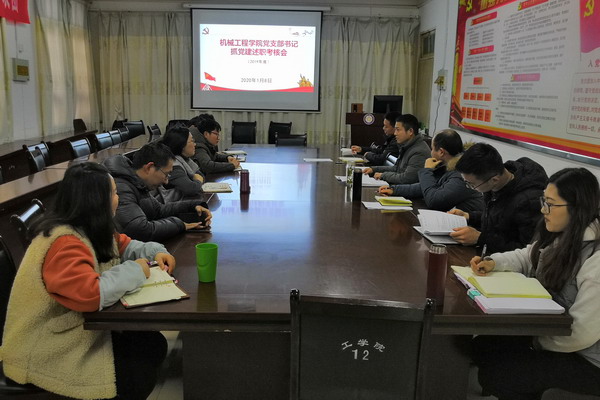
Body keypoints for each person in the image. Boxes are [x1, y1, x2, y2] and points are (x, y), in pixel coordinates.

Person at [1, 162, 173, 399]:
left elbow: (125, 245)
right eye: (114, 193)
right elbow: (90, 294)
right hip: (46, 346)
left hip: (74, 327)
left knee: (152, 343)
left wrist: (155, 252)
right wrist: (136, 270)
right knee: (137, 375)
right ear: (95, 201)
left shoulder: (91, 227)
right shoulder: (64, 242)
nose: (118, 198)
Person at [470, 168, 600, 399]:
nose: (543, 210)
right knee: (484, 345)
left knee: (502, 374)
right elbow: (529, 256)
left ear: (577, 208)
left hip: (587, 359)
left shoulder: (595, 259)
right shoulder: (564, 234)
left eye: (550, 204)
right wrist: (494, 262)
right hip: (552, 335)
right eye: (544, 201)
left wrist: (533, 341)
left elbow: (582, 333)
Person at [449, 142, 547, 253]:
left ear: (494, 180)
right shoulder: (496, 181)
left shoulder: (529, 201)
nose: (470, 187)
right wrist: (469, 216)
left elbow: (528, 251)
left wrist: (480, 239)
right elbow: (501, 219)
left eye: (472, 185)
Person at [103, 142, 212, 242]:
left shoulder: (137, 182)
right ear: (149, 167)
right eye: (166, 174)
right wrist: (179, 225)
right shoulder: (121, 187)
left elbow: (158, 211)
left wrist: (193, 207)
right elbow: (139, 230)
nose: (166, 181)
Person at [377, 129, 484, 213]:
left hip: (469, 227)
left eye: (432, 148)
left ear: (441, 152)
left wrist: (427, 170)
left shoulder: (461, 174)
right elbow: (425, 187)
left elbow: (434, 201)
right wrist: (395, 189)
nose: (430, 152)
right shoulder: (447, 167)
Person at [362, 114, 430, 184]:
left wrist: (383, 175)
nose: (395, 133)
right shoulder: (407, 146)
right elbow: (397, 168)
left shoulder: (419, 152)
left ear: (410, 131)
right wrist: (373, 169)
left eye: (398, 130)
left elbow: (407, 179)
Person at [159, 126, 205, 202]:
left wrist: (197, 180)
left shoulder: (185, 159)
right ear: (181, 145)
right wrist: (198, 181)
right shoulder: (173, 166)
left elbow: (200, 175)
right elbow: (191, 189)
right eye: (192, 141)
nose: (195, 144)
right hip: (173, 204)